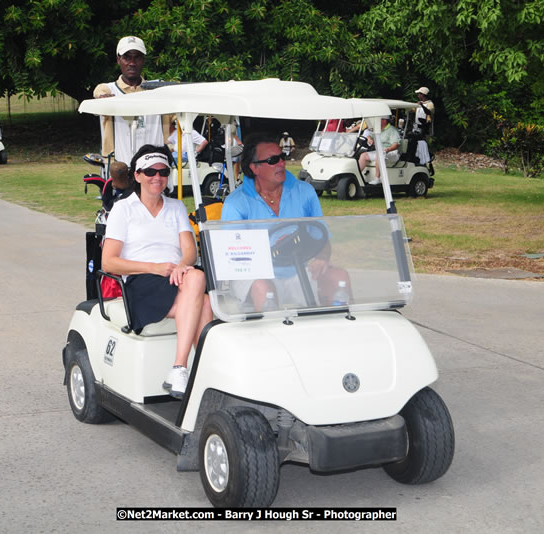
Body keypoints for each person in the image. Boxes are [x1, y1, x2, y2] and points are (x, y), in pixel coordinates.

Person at [101, 144, 213, 398]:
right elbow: (109, 262)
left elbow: (189, 251)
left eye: (163, 172)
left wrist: (182, 266)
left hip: (177, 278)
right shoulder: (123, 209)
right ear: (137, 175)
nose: (157, 177)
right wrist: (156, 268)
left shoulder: (176, 207)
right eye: (150, 171)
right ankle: (188, 369)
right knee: (202, 297)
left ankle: (187, 372)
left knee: (199, 285)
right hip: (142, 283)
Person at [221, 132, 349, 310]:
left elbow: (322, 236)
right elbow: (236, 259)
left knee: (339, 278)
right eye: (273, 160)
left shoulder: (304, 192)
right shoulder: (236, 204)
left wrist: (321, 258)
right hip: (255, 275)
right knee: (264, 289)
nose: (281, 163)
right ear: (254, 168)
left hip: (299, 269)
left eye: (281, 157)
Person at [93, 36, 163, 166]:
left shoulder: (157, 91)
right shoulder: (110, 89)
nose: (132, 62)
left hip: (152, 168)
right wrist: (102, 97)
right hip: (118, 168)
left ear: (143, 60)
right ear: (118, 60)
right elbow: (99, 91)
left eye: (137, 57)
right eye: (127, 57)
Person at [357, 116, 401, 185]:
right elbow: (369, 135)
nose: (377, 121)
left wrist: (388, 149)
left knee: (379, 155)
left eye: (379, 120)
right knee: (363, 155)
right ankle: (357, 176)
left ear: (384, 121)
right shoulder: (378, 129)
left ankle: (377, 179)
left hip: (392, 152)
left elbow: (396, 145)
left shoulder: (392, 130)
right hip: (380, 151)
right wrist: (369, 139)